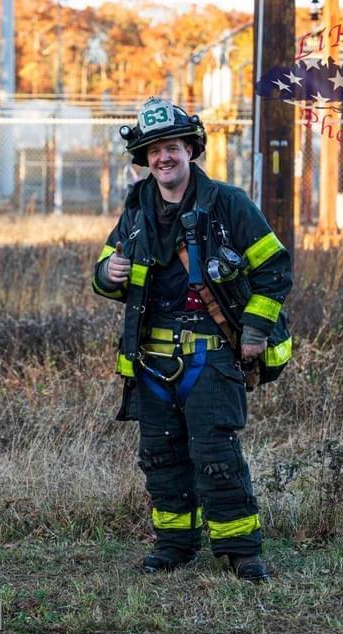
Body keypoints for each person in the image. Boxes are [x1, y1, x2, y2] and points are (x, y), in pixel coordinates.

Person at [91, 98, 292, 581]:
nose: (164, 157)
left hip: (212, 354)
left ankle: (241, 551)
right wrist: (107, 272)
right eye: (155, 150)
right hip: (151, 360)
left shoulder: (229, 204)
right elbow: (103, 276)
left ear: (191, 150)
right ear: (144, 158)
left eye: (173, 148)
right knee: (160, 457)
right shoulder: (135, 211)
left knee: (215, 454)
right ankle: (174, 545)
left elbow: (275, 269)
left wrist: (255, 331)